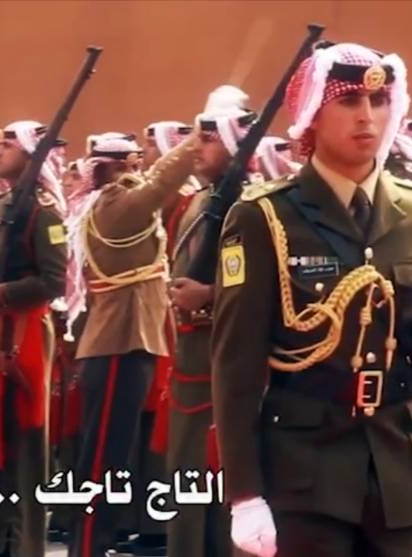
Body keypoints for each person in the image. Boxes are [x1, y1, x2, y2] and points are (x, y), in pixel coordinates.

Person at [213, 42, 412, 557]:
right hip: (304, 478)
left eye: (378, 101)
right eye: (348, 101)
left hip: (399, 471)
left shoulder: (409, 212)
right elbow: (236, 366)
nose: (367, 116)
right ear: (312, 115)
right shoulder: (265, 217)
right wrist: (245, 495)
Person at [66, 129, 199, 557]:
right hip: (118, 342)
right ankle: (88, 545)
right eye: (134, 164)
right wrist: (198, 138)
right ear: (125, 166)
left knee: (113, 454)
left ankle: (95, 542)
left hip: (130, 342)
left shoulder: (117, 204)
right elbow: (160, 185)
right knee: (103, 456)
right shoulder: (116, 206)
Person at [163, 90, 257, 557]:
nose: (198, 148)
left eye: (209, 139)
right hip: (188, 356)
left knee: (225, 472)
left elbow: (259, 285)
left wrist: (208, 297)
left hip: (227, 357)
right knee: (185, 469)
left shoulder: (251, 206)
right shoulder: (197, 202)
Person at [0, 120, 67, 557]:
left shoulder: (44, 212)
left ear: (31, 154)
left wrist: (4, 293)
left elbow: (54, 281)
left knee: (24, 449)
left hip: (22, 339)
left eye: (8, 144)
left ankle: (23, 546)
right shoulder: (1, 207)